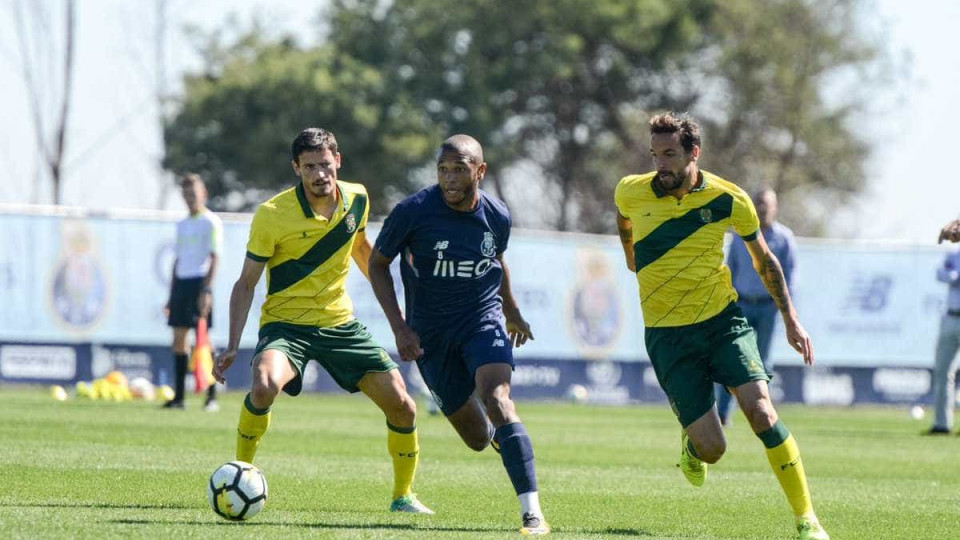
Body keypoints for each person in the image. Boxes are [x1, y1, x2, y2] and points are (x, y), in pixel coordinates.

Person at [614, 112, 828, 540]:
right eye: (655, 155)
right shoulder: (630, 191)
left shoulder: (729, 199)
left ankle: (807, 519)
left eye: (670, 154)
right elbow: (624, 225)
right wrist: (631, 255)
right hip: (668, 335)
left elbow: (764, 261)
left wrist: (790, 319)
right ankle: (693, 444)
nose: (661, 165)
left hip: (722, 322)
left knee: (762, 412)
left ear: (694, 152)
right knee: (713, 450)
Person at [212, 128, 432, 514]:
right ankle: (241, 471)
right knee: (263, 386)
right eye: (310, 167)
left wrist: (399, 318)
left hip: (339, 325)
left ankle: (403, 496)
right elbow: (245, 284)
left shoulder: (358, 198)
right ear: (296, 167)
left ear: (338, 162)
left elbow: (362, 252)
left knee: (404, 406)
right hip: (285, 327)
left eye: (326, 165)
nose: (320, 175)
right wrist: (233, 344)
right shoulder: (272, 215)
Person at [367, 135, 550, 536]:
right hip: (430, 336)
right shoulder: (412, 211)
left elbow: (495, 260)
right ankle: (502, 438)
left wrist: (512, 311)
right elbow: (377, 265)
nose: (449, 178)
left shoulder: (498, 215)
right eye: (443, 170)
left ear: (479, 171)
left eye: (459, 169)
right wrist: (400, 328)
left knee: (498, 399)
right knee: (477, 439)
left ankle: (532, 514)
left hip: (480, 320)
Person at [715, 188, 797, 425]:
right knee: (731, 359)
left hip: (768, 307)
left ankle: (762, 413)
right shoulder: (740, 235)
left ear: (775, 207)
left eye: (766, 204)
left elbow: (790, 277)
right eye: (758, 203)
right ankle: (722, 413)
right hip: (741, 305)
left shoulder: (784, 238)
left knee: (763, 361)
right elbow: (728, 270)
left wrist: (786, 310)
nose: (762, 208)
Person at [164, 173, 221, 411]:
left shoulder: (211, 222)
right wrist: (171, 294)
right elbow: (178, 260)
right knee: (178, 341)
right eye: (186, 194)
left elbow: (214, 256)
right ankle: (179, 397)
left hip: (199, 283)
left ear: (203, 193)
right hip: (181, 284)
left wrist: (207, 290)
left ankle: (211, 396)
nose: (190, 198)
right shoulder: (181, 224)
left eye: (194, 193)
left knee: (202, 341)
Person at [927, 246, 960, 434]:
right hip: (950, 317)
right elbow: (941, 274)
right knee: (942, 371)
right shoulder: (953, 254)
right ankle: (942, 424)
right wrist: (954, 275)